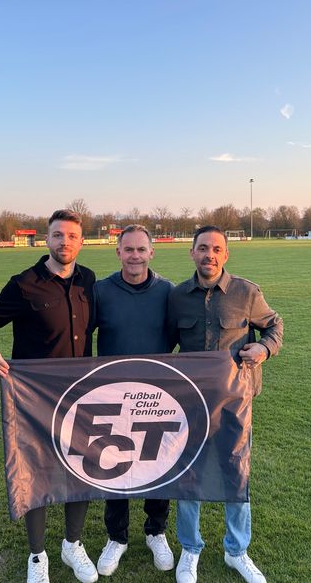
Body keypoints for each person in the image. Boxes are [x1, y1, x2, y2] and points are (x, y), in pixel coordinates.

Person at [0, 209, 98, 583]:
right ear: (47, 239)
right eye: (58, 235)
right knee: (36, 473)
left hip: (80, 396)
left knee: (81, 469)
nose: (64, 242)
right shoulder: (24, 283)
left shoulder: (89, 280)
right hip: (34, 401)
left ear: (81, 241)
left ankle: (72, 544)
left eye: (71, 236)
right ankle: (37, 555)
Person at [167, 225, 283, 583]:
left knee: (236, 472)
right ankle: (190, 548)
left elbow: (274, 325)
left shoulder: (247, 292)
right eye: (203, 248)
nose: (209, 255)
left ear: (226, 254)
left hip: (235, 404)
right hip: (191, 403)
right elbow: (164, 345)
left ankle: (237, 550)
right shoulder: (177, 296)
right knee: (188, 475)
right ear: (192, 252)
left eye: (217, 249)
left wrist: (264, 348)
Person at [93, 224, 175, 577]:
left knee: (158, 462)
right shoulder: (100, 291)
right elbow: (78, 333)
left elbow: (181, 336)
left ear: (151, 252)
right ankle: (117, 537)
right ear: (118, 252)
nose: (135, 256)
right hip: (112, 394)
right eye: (129, 249)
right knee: (114, 464)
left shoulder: (168, 292)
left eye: (142, 249)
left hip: (157, 395)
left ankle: (156, 531)